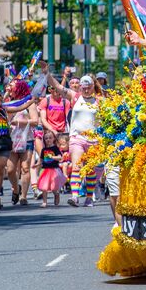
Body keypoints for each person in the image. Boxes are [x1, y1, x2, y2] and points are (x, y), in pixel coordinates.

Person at [46, 71, 103, 207]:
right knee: (76, 167)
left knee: (90, 170)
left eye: (88, 87)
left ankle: (89, 198)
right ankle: (75, 196)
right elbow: (58, 87)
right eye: (84, 87)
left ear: (93, 86)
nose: (86, 90)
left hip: (94, 140)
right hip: (77, 138)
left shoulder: (100, 100)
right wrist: (47, 73)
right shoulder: (75, 97)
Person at [6, 79, 37, 207]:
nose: (9, 88)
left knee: (25, 168)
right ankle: (16, 189)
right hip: (12, 140)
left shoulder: (29, 103)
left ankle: (23, 196)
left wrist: (21, 122)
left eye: (12, 86)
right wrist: (6, 95)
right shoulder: (8, 103)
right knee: (10, 170)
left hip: (27, 139)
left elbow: (35, 121)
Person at [35, 130, 66, 207]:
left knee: (53, 187)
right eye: (46, 138)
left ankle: (56, 194)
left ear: (53, 139)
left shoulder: (55, 148)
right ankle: (44, 202)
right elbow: (40, 160)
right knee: (44, 187)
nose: (48, 140)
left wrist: (52, 157)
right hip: (45, 170)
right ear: (44, 140)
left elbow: (60, 157)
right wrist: (36, 164)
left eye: (50, 138)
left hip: (54, 170)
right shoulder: (43, 150)